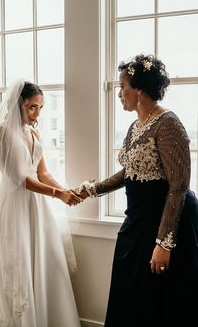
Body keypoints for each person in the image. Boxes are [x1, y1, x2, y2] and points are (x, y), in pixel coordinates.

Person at [76, 54, 198, 327]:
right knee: (129, 293)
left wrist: (164, 243)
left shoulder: (169, 124)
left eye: (123, 87)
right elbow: (129, 172)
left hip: (164, 223)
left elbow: (179, 185)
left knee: (159, 301)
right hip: (137, 223)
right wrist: (91, 190)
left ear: (139, 90)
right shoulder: (134, 127)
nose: (119, 93)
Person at [0, 80, 82, 327]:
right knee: (18, 266)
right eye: (31, 107)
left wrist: (65, 190)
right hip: (14, 208)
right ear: (18, 104)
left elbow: (43, 173)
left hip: (38, 207)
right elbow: (20, 178)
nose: (36, 113)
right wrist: (57, 195)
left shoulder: (34, 133)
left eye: (40, 108)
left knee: (43, 260)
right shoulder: (2, 133)